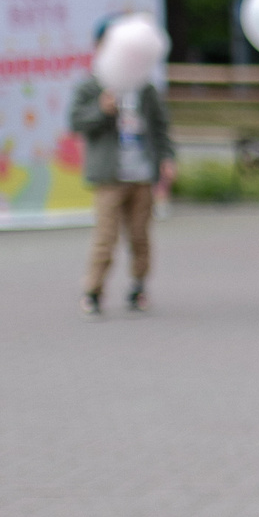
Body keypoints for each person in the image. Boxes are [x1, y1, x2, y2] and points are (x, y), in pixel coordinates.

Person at [69, 31, 174, 317]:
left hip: (141, 173)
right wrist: (101, 110)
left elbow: (160, 126)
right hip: (110, 175)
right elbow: (76, 121)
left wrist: (166, 157)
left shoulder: (144, 88)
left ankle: (139, 285)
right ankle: (93, 290)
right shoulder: (92, 86)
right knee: (105, 237)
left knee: (140, 235)